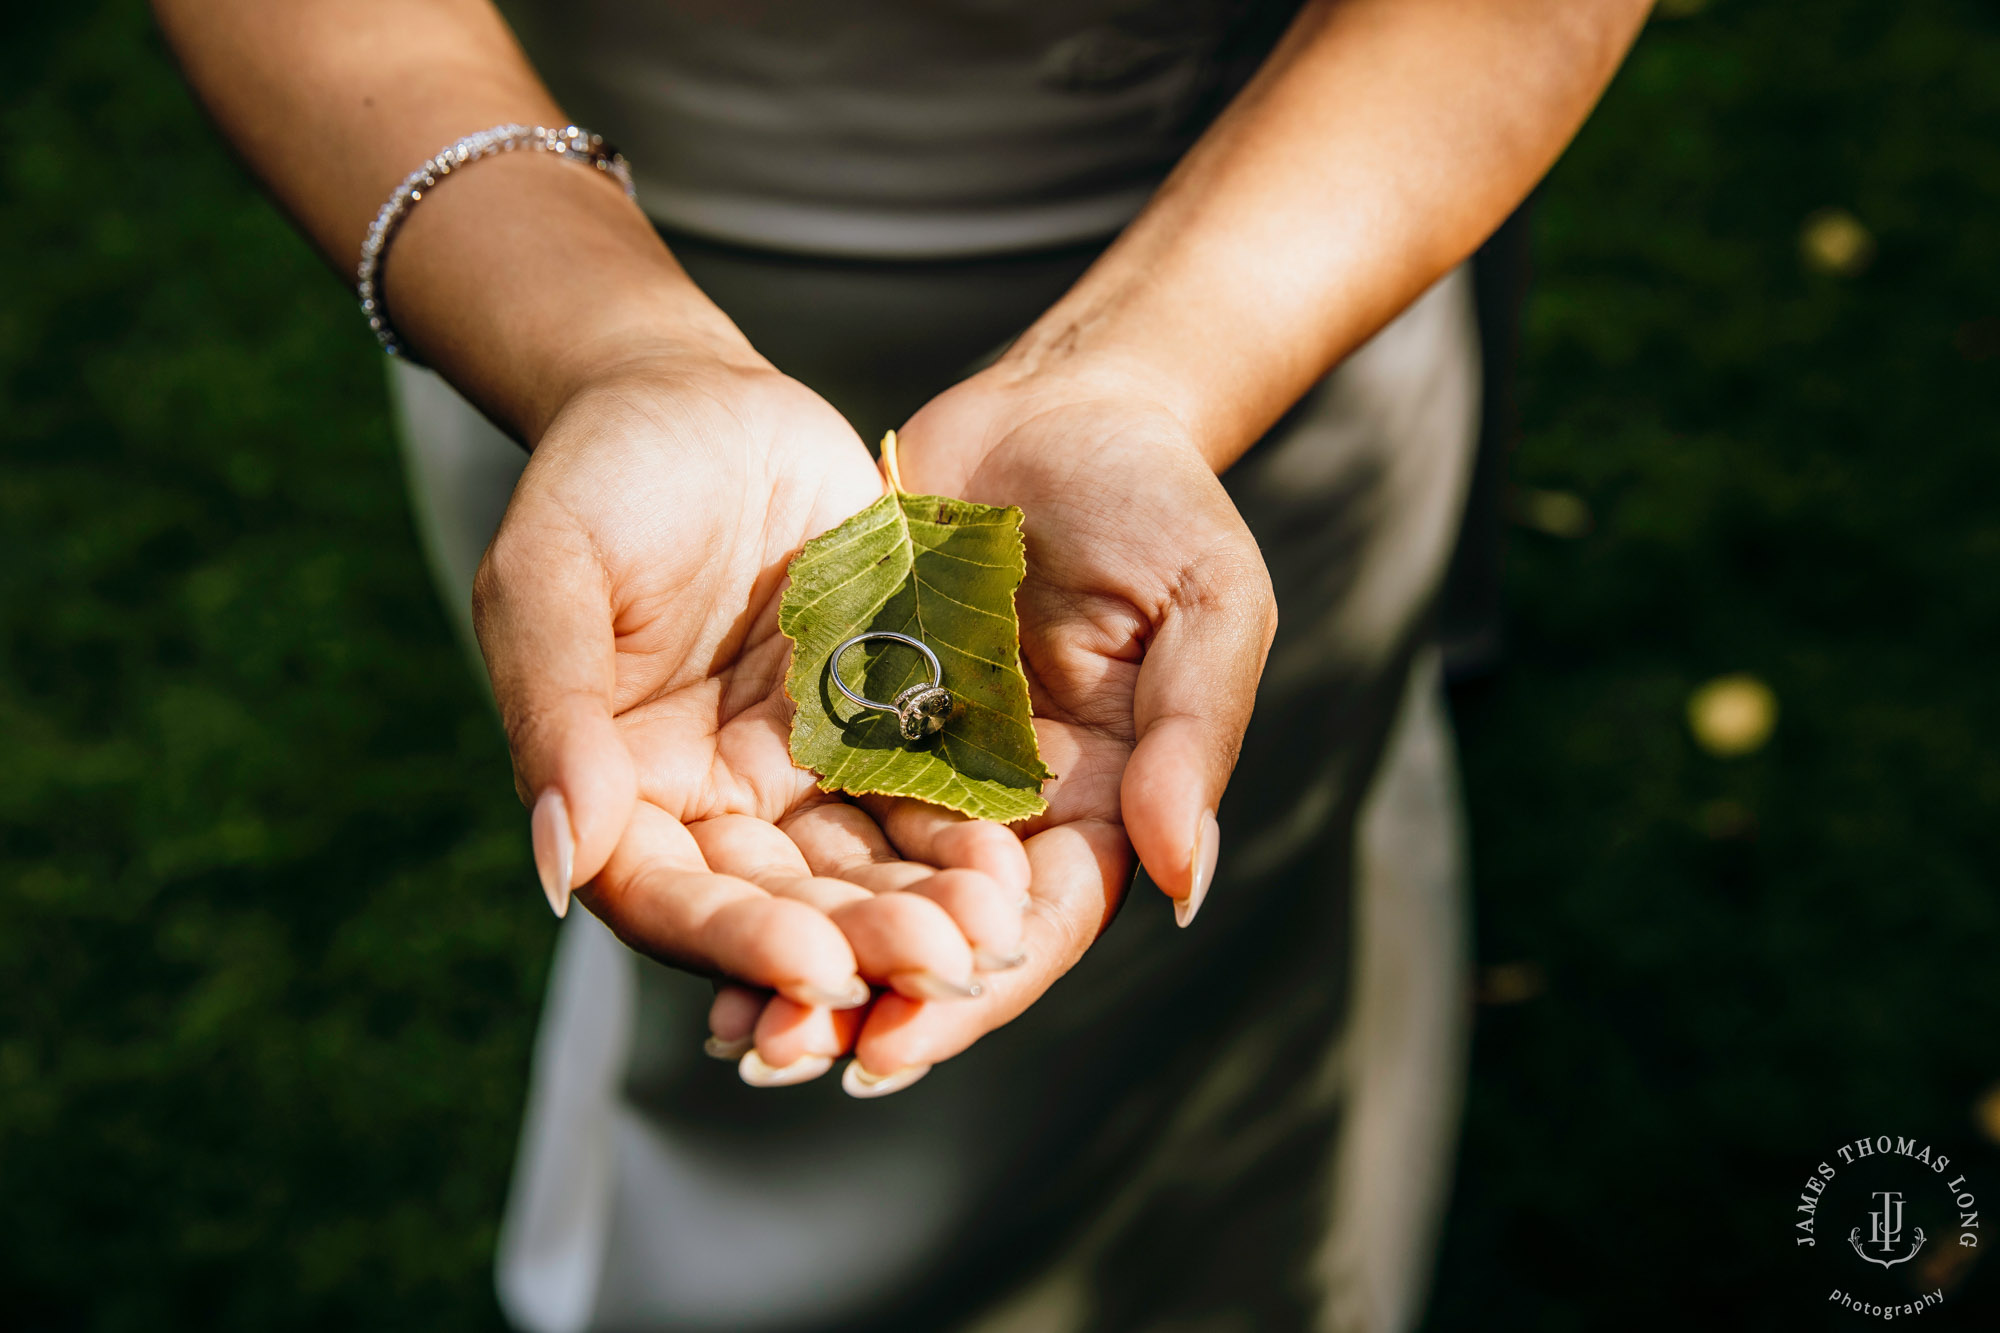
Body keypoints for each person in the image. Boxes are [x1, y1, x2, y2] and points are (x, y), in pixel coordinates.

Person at [154, 2, 1650, 1328]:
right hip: (547, 308)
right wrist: (608, 349)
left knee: (1187, 1034)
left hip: (1259, 288)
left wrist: (1145, 376)